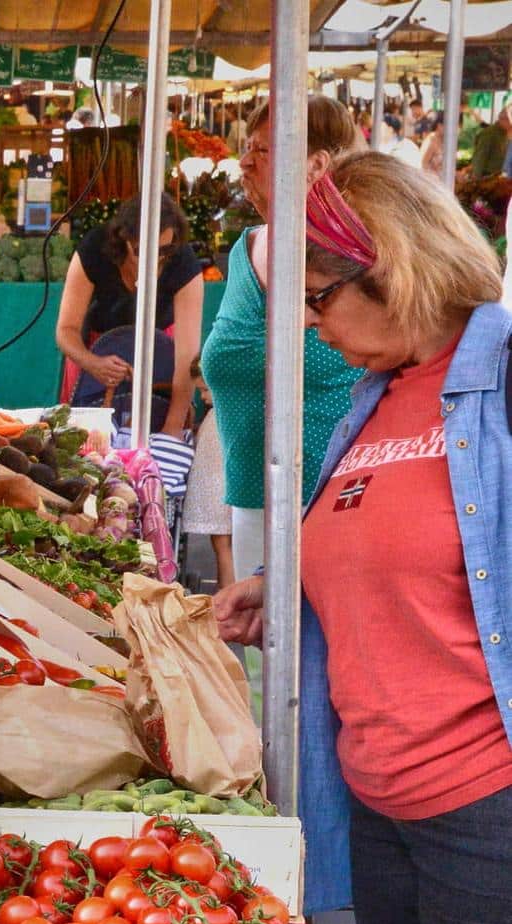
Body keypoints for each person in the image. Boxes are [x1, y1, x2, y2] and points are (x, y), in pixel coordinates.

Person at [213, 152, 512, 924]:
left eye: (317, 297)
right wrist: (286, 586)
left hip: (487, 810)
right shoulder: (371, 402)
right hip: (378, 804)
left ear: (392, 269)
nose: (310, 324)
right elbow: (387, 554)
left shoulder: (501, 384)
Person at [200, 96, 363, 581]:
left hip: (334, 502)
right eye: (247, 148)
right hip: (252, 494)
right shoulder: (246, 247)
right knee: (260, 650)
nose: (245, 161)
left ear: (315, 164)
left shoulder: (352, 252)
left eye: (265, 150)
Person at [54, 192, 204, 435]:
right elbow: (65, 330)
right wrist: (92, 363)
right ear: (123, 238)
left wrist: (172, 427)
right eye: (141, 250)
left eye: (164, 251)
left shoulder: (184, 262)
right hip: (96, 346)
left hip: (163, 351)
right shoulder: (95, 247)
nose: (154, 262)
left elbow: (187, 356)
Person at [183, 357, 233, 589]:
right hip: (224, 491)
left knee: (223, 547)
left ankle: (226, 592)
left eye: (205, 389)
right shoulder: (224, 414)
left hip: (219, 493)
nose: (203, 397)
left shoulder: (221, 417)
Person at [470, 102, 511, 177]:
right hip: (487, 176)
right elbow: (480, 157)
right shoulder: (489, 134)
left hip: (499, 176)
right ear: (504, 119)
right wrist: (476, 178)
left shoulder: (505, 133)